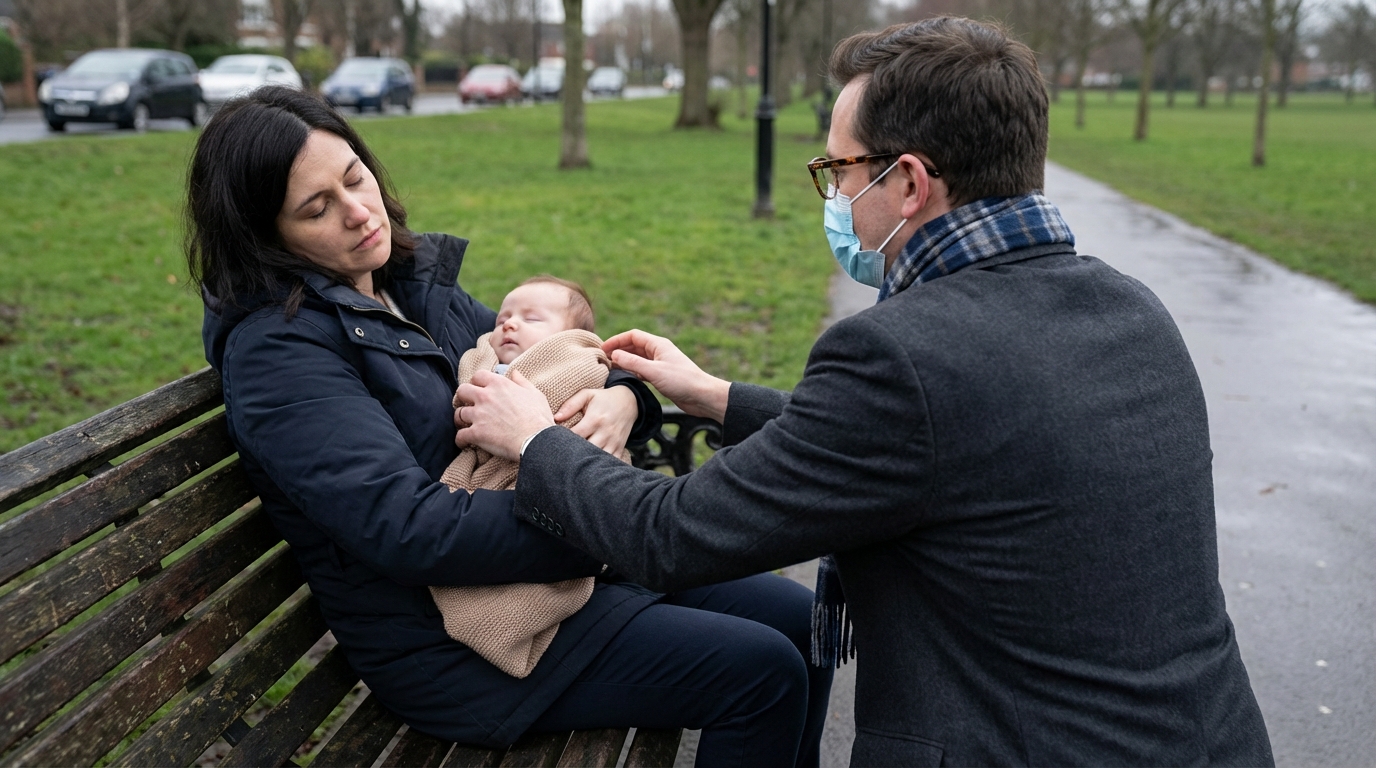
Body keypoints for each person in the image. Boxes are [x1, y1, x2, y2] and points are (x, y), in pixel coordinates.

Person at [455, 18, 1275, 767]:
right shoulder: (1131, 308)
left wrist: (536, 439)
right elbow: (954, 451)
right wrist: (716, 395)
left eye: (839, 171)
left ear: (910, 183)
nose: (836, 197)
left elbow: (672, 536)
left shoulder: (900, 354)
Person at [187, 86, 832, 767]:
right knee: (761, 673)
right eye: (317, 209)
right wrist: (607, 530)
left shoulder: (406, 284)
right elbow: (406, 529)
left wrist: (625, 401)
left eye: (355, 177)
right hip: (456, 642)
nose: (358, 213)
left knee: (803, 621)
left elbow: (556, 362)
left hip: (558, 575)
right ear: (266, 237)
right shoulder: (279, 354)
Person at [431, 275, 626, 680]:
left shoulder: (568, 363)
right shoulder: (485, 361)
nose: (508, 324)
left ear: (569, 337)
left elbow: (587, 375)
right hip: (509, 503)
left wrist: (626, 395)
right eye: (503, 317)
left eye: (531, 318)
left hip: (569, 484)